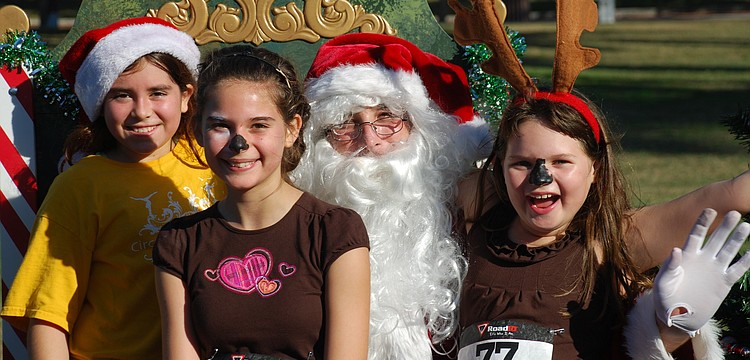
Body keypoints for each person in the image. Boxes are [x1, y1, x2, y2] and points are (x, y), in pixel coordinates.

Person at [459, 90, 749, 359]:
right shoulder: (474, 230)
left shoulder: (607, 240)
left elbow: (730, 195)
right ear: (499, 167)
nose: (540, 178)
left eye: (561, 161)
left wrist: (676, 327)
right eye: (521, 163)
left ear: (594, 169)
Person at [0, 17, 224, 358]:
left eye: (158, 93)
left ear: (185, 95)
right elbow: (46, 314)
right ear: (100, 102)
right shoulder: (80, 186)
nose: (142, 111)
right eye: (122, 95)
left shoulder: (220, 164)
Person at [153, 45, 371, 360]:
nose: (239, 143)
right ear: (198, 130)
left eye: (258, 125)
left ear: (291, 129)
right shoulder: (180, 243)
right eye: (221, 126)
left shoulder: (333, 232)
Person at [291, 33, 492, 359]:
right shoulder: (296, 225)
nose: (370, 141)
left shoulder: (465, 217)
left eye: (387, 117)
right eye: (345, 124)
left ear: (416, 128)